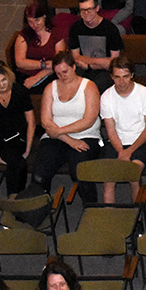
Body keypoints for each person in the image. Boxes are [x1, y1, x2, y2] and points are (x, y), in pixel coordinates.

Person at [30, 52, 102, 194]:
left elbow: (88, 120)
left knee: (80, 173)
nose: (62, 76)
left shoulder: (89, 87)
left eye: (65, 71)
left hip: (85, 135)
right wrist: (68, 140)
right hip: (56, 137)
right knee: (39, 174)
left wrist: (60, 132)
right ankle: (41, 205)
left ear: (74, 67)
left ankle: (91, 206)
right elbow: (46, 122)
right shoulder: (50, 88)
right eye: (58, 73)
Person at [101, 56, 146, 185]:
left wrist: (129, 151)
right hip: (117, 143)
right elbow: (110, 131)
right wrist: (121, 151)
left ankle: (137, 205)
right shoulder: (106, 96)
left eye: (125, 76)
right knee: (108, 179)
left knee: (133, 174)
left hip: (142, 142)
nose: (121, 82)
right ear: (112, 77)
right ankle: (107, 206)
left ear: (132, 75)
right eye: (117, 77)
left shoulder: (145, 93)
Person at [0, 61, 34, 195]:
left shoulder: (19, 91)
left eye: (3, 80)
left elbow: (31, 122)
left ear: (8, 77)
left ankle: (14, 196)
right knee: (17, 163)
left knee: (16, 163)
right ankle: (16, 195)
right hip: (1, 140)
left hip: (20, 136)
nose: (1, 84)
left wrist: (28, 148)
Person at [69, 0, 123, 89]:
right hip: (82, 69)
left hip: (104, 71)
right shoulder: (75, 28)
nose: (86, 13)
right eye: (82, 10)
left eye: (89, 9)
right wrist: (102, 61)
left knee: (97, 85)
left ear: (97, 8)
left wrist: (90, 66)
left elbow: (114, 61)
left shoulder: (110, 29)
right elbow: (75, 56)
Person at [13, 2, 65, 90]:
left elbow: (58, 62)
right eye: (30, 22)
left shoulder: (57, 34)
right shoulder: (23, 36)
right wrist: (43, 64)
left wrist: (37, 77)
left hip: (49, 74)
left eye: (37, 20)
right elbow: (20, 62)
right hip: (26, 75)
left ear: (44, 16)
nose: (35, 25)